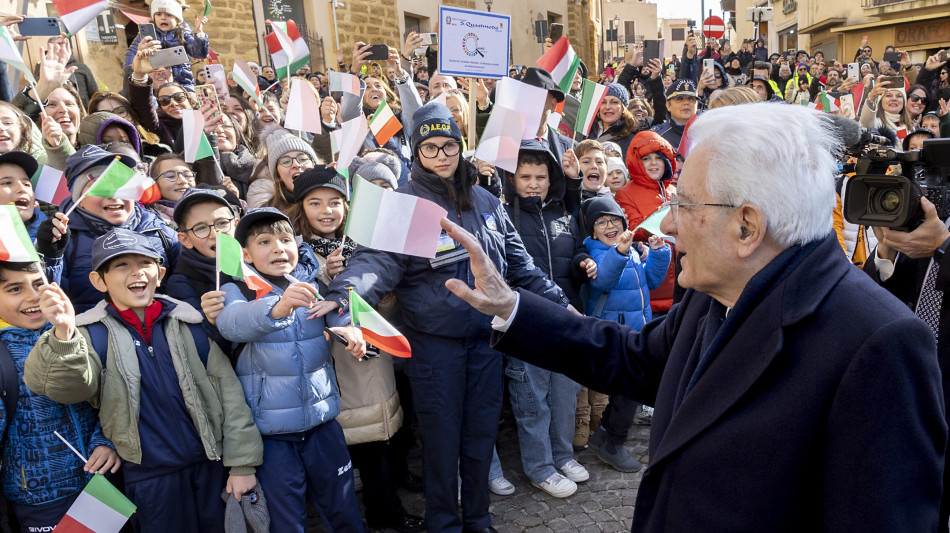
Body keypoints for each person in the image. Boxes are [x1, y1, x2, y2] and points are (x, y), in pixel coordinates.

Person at [438, 102, 946, 531]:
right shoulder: (714, 292)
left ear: (747, 227)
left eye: (683, 204)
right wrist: (512, 307)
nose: (669, 223)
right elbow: (631, 359)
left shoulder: (879, 344)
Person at [326, 102, 568, 533]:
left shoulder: (486, 200)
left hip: (488, 343)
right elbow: (373, 265)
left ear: (460, 147)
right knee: (440, 446)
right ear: (416, 152)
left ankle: (477, 520)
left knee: (479, 440)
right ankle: (444, 525)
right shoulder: (407, 203)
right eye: (430, 147)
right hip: (434, 349)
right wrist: (344, 298)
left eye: (449, 146)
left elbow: (521, 267)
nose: (441, 155)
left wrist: (562, 304)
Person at [25, 229, 264, 533]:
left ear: (160, 273)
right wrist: (63, 333)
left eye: (144, 263)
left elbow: (230, 397)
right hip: (149, 480)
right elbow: (69, 389)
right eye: (121, 266)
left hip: (211, 470)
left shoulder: (190, 324)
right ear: (99, 281)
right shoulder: (89, 334)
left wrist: (242, 465)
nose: (136, 272)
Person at [215, 208, 366, 533]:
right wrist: (278, 306)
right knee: (287, 523)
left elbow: (335, 313)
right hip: (273, 437)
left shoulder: (310, 285)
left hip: (323, 425)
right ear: (245, 253)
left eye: (285, 240)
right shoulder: (236, 291)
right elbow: (232, 325)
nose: (278, 248)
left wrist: (348, 328)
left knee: (345, 513)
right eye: (265, 241)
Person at [501, 140, 594, 498]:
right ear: (512, 178)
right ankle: (540, 467)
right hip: (527, 320)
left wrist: (583, 262)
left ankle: (562, 455)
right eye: (525, 176)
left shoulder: (562, 211)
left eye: (541, 176)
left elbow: (577, 247)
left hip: (567, 314)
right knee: (532, 398)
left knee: (565, 393)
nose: (534, 183)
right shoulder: (505, 215)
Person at [0, 259, 120, 531]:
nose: (33, 296)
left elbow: (110, 396)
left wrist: (107, 440)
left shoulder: (78, 333)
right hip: (41, 500)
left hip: (101, 486)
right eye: (15, 289)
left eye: (38, 284)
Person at [123, 0, 209, 92]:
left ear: (177, 18)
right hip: (154, 85)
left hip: (182, 84)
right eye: (158, 14)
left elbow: (199, 54)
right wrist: (134, 68)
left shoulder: (184, 34)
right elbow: (131, 54)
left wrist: (200, 33)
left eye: (168, 15)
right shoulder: (145, 36)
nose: (163, 18)